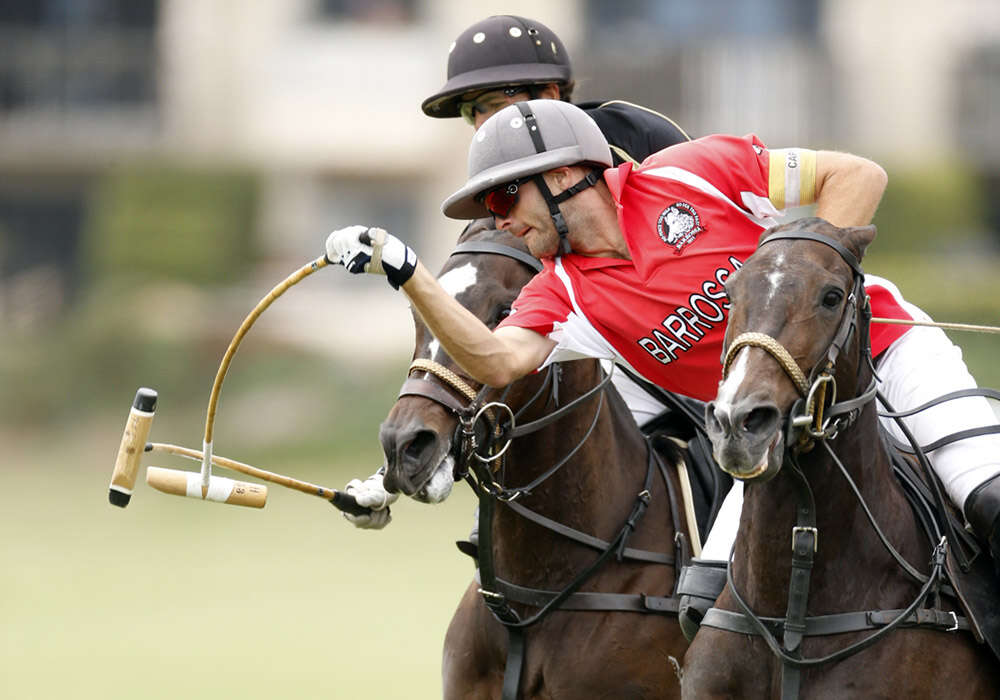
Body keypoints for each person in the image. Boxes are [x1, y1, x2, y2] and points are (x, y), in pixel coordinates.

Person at [325, 99, 1000, 587]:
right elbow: (497, 359)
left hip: (889, 355)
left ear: (563, 177)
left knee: (989, 500)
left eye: (505, 201)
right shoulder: (562, 293)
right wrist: (407, 273)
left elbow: (859, 179)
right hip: (773, 428)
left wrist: (796, 280)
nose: (502, 222)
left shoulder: (693, 171)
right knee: (704, 601)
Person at [341, 15, 692, 531]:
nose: (484, 128)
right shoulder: (498, 204)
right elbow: (473, 339)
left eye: (494, 105)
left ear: (550, 94)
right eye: (472, 113)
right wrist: (396, 471)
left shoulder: (632, 136)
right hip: (599, 346)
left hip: (695, 330)